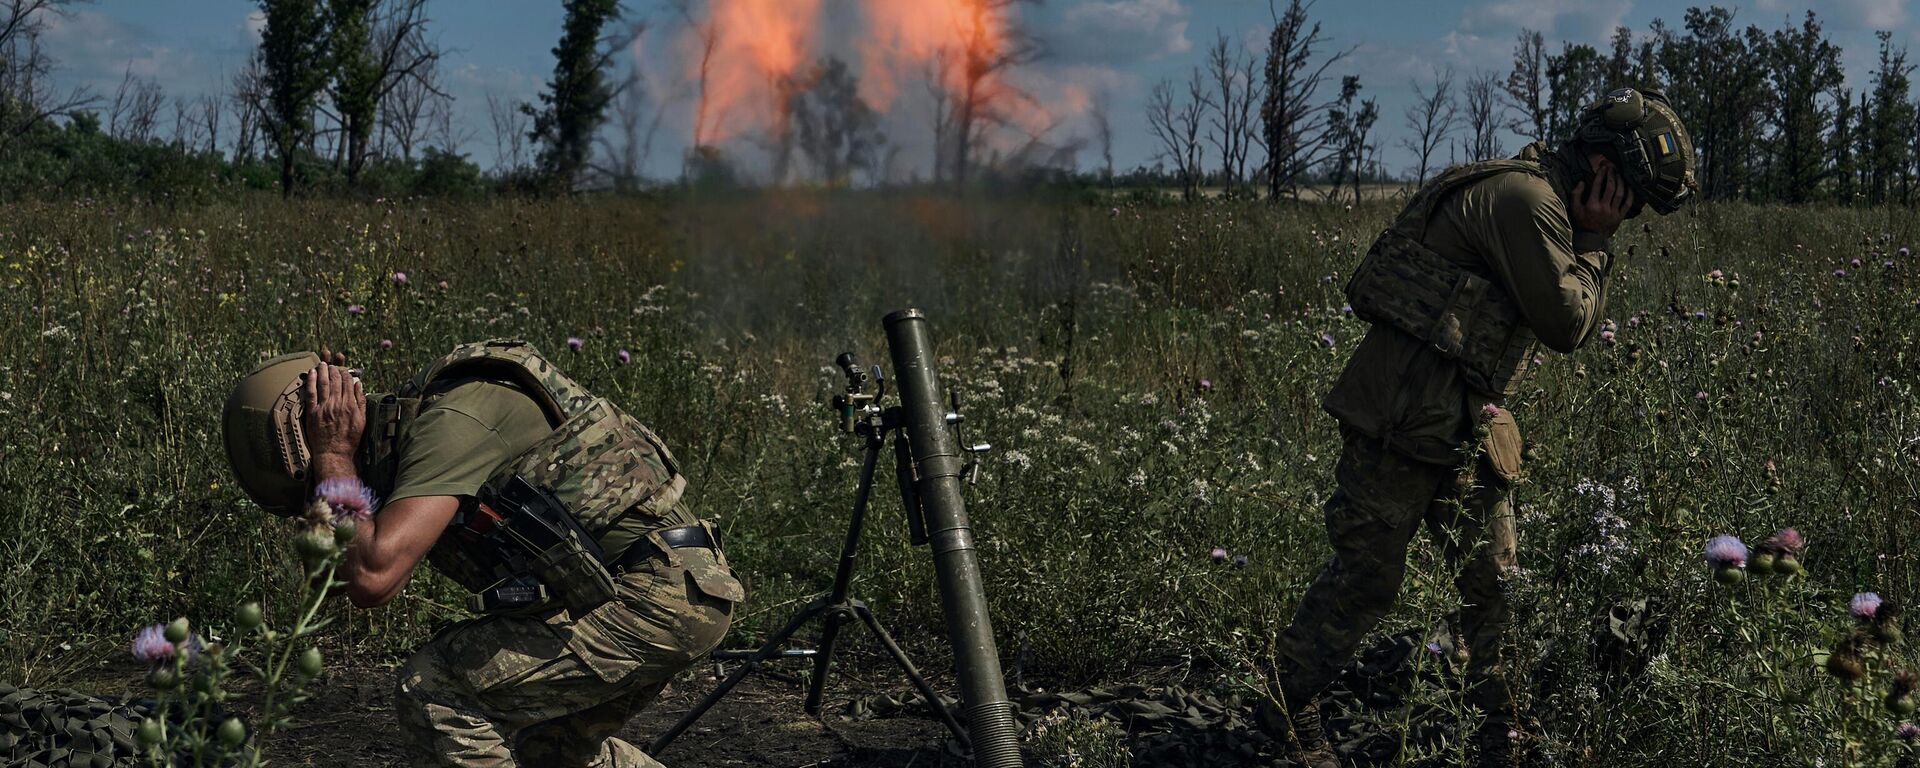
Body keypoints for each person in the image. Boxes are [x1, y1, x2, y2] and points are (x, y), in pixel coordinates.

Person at [1263, 87, 1696, 767]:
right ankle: (1289, 703)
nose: (1633, 212)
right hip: (1400, 420)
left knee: (1496, 585)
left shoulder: (1542, 201)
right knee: (1366, 579)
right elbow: (1567, 323)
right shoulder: (1526, 202)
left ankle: (1504, 733)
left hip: (1467, 424)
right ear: (1606, 171)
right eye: (1633, 196)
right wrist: (1596, 243)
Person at [222, 338, 744, 767]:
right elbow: (335, 581)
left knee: (437, 689)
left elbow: (372, 577)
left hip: (657, 595)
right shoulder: (405, 451)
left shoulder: (447, 426)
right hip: (647, 594)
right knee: (552, 751)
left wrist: (332, 455)